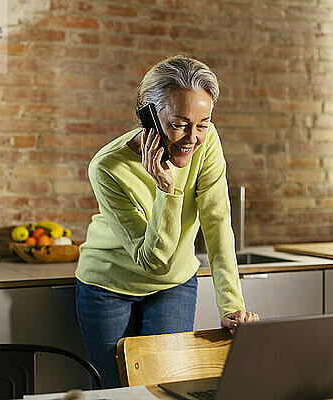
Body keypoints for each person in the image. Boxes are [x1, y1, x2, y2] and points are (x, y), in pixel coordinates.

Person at [75, 54, 259, 388]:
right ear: (148, 114)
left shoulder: (207, 142)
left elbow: (217, 223)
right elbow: (153, 261)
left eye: (202, 123)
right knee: (115, 393)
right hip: (108, 286)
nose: (193, 137)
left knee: (168, 388)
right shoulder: (107, 167)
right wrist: (167, 189)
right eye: (179, 123)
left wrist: (232, 305)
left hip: (174, 284)